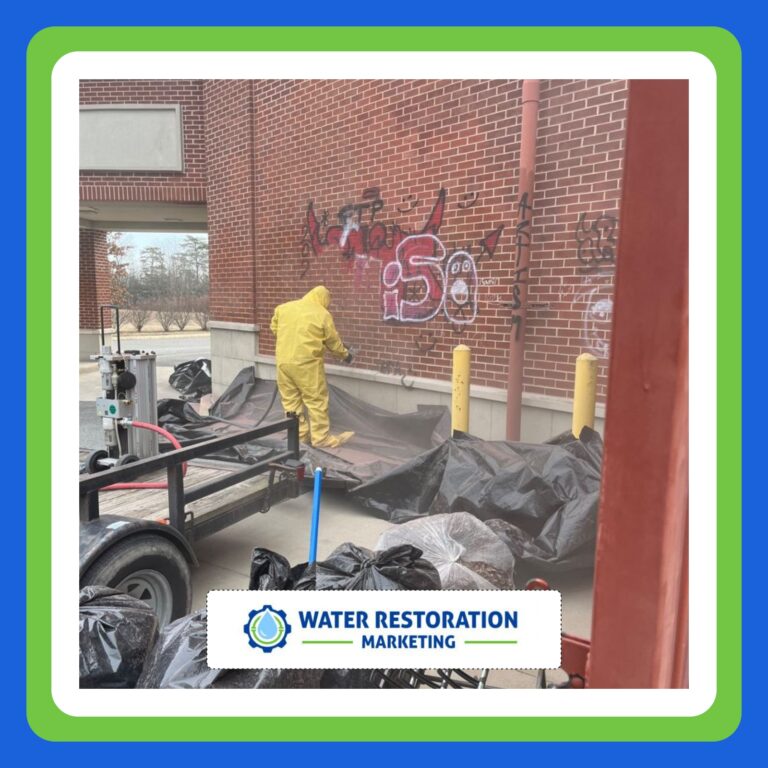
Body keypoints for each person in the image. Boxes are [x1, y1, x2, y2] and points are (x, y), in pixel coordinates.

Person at [270, 286, 354, 448]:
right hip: (307, 365)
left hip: (283, 364)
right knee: (316, 401)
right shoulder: (322, 314)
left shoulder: (283, 308)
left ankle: (299, 436)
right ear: (324, 298)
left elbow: (275, 329)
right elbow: (333, 341)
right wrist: (345, 355)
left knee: (290, 402)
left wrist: (292, 339)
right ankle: (320, 439)